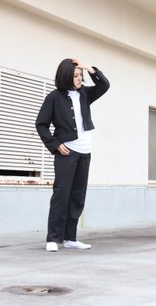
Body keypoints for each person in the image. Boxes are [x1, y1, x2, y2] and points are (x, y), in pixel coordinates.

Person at [36, 58, 110, 252]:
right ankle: (53, 239)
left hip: (85, 152)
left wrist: (89, 68)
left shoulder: (85, 94)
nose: (79, 79)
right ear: (66, 76)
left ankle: (70, 238)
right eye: (75, 75)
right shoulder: (53, 98)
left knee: (78, 196)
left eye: (80, 75)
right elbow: (41, 124)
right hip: (67, 152)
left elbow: (104, 85)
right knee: (61, 194)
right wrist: (56, 145)